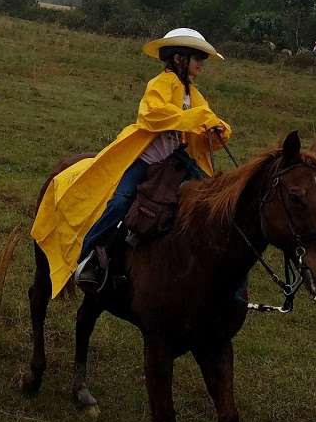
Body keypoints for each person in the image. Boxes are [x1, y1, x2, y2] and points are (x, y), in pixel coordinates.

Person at [31, 28, 232, 297]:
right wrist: (196, 119)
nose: (201, 65)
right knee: (120, 202)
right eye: (198, 58)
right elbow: (153, 115)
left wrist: (218, 128)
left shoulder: (191, 93)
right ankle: (87, 256)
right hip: (146, 160)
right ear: (179, 59)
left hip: (176, 160)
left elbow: (205, 117)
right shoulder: (160, 84)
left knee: (212, 200)